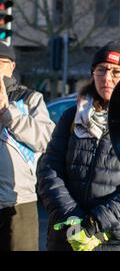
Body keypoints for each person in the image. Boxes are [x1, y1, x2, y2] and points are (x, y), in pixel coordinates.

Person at [38, 41, 120, 251]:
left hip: (116, 239)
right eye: (101, 70)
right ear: (93, 74)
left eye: (116, 71)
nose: (107, 78)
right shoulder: (72, 116)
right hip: (67, 236)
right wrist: (72, 216)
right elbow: (48, 169)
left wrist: (94, 223)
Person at [0, 42, 55, 251]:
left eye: (0, 63)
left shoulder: (29, 98)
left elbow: (46, 138)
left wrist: (8, 113)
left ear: (11, 66)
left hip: (19, 202)